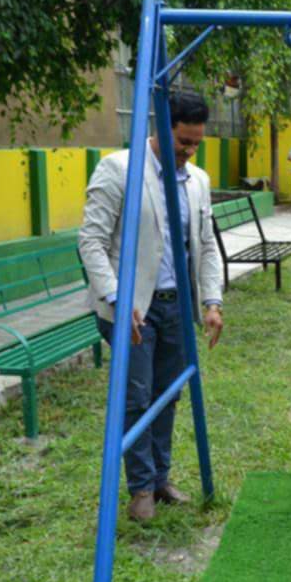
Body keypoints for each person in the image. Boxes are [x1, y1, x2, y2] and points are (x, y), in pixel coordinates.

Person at [78, 92, 225, 523]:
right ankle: (139, 486)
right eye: (183, 141)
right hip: (131, 310)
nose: (189, 151)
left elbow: (204, 243)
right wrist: (117, 299)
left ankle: (161, 477)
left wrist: (212, 300)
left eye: (196, 143)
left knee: (168, 395)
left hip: (177, 305)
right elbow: (91, 241)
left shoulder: (197, 179)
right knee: (136, 398)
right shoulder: (119, 169)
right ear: (160, 127)